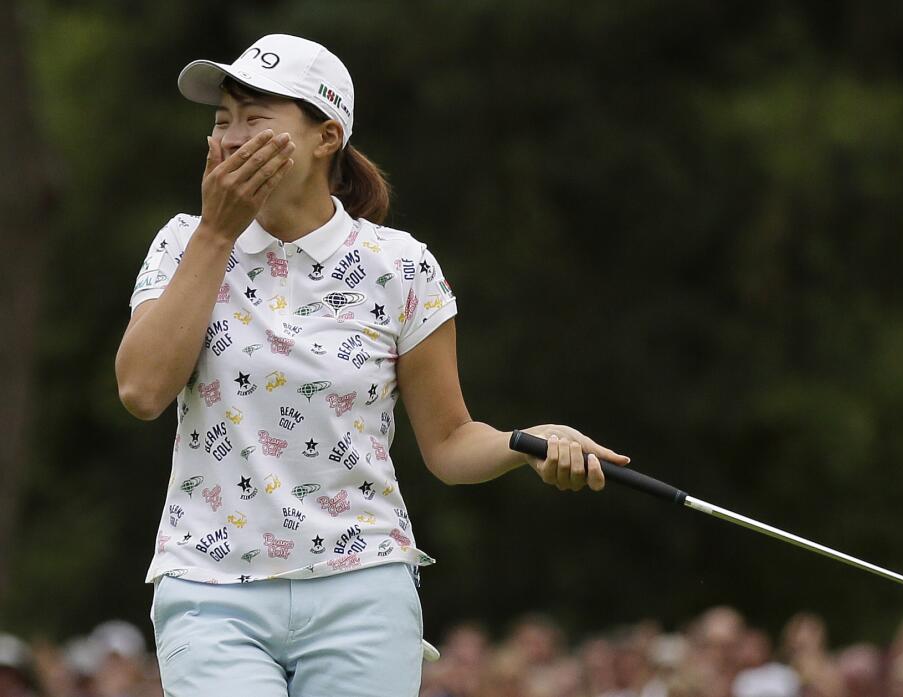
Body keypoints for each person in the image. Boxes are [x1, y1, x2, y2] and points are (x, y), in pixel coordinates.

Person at [114, 33, 630, 697]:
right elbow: (141, 390)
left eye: (256, 119)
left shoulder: (401, 266)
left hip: (361, 589)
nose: (233, 138)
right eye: (223, 121)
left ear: (326, 137)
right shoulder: (184, 241)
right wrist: (218, 232)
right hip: (210, 590)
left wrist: (526, 445)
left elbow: (448, 441)